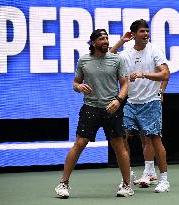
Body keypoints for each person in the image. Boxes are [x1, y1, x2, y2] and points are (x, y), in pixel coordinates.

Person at [55, 29, 134, 198]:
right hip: (90, 108)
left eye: (106, 38)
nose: (105, 41)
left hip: (112, 107)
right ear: (93, 43)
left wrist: (118, 100)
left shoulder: (116, 59)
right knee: (80, 143)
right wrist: (79, 87)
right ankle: (63, 183)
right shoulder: (83, 60)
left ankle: (127, 185)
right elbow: (75, 83)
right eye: (101, 38)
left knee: (119, 146)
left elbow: (125, 84)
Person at [110, 19, 170, 193]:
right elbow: (109, 58)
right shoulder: (126, 54)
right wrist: (122, 41)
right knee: (121, 138)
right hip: (131, 103)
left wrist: (143, 75)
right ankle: (127, 176)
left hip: (150, 102)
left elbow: (165, 73)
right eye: (142, 31)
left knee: (154, 139)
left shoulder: (154, 50)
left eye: (147, 31)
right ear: (134, 34)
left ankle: (164, 179)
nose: (145, 34)